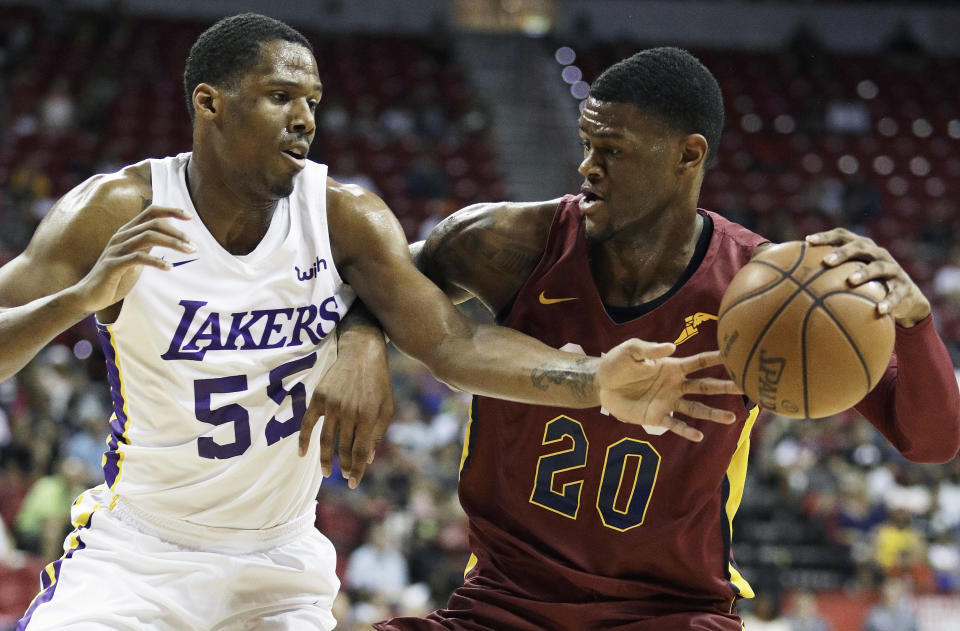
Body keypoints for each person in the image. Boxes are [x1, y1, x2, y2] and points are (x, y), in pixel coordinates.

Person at [0, 16, 740, 631]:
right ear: (209, 103)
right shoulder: (117, 209)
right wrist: (80, 298)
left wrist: (591, 381)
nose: (304, 118)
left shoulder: (341, 216)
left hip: (279, 566)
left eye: (313, 100)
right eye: (280, 95)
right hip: (141, 553)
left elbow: (451, 340)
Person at [370, 47, 960, 630]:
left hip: (673, 613)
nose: (587, 167)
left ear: (689, 155)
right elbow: (375, 280)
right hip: (504, 603)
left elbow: (931, 442)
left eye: (613, 151)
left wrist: (913, 326)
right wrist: (354, 350)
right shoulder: (512, 244)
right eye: (587, 145)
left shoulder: (764, 292)